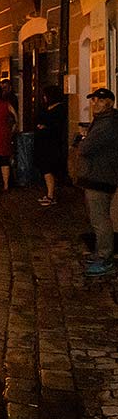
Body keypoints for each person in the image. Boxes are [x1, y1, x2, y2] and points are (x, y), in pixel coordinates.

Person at [76, 87, 118, 277]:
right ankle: (101, 254)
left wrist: (83, 141)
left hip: (100, 176)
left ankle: (105, 257)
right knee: (97, 218)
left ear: (106, 103)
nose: (93, 104)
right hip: (97, 175)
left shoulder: (107, 124)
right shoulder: (102, 121)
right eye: (92, 100)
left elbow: (86, 148)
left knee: (100, 219)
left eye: (96, 101)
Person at [34, 84, 68, 205]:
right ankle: (49, 193)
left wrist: (45, 127)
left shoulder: (59, 109)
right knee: (45, 168)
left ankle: (51, 194)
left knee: (48, 168)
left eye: (45, 95)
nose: (43, 98)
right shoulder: (46, 108)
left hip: (51, 142)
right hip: (43, 142)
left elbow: (57, 126)